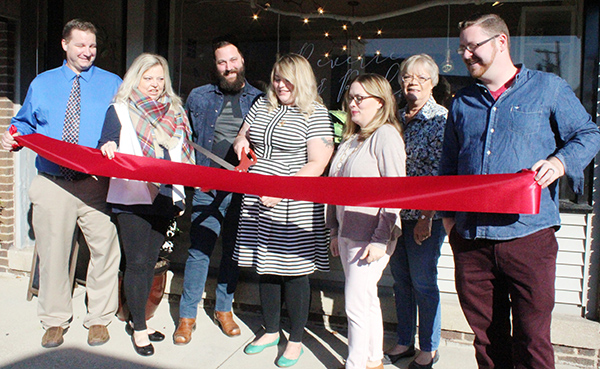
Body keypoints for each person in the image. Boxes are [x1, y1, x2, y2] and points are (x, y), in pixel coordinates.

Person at [439, 13, 600, 369]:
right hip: (472, 240)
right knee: (486, 341)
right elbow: (448, 167)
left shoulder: (548, 88)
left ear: (501, 42)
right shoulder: (463, 103)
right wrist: (449, 221)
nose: (465, 55)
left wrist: (559, 163)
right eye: (462, 47)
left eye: (472, 46)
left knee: (532, 340)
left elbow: (589, 134)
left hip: (528, 238)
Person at [1, 19, 121, 349]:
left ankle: (99, 318)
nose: (88, 52)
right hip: (53, 183)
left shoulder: (113, 83)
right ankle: (54, 319)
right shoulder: (42, 83)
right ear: (65, 45)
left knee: (105, 250)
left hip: (96, 183)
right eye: (81, 45)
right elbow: (22, 123)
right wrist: (11, 137)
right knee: (54, 255)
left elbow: (127, 126)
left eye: (93, 46)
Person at [232, 53, 334, 367]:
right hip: (259, 198)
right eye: (277, 78)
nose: (280, 85)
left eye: (286, 80)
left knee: (294, 273)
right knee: (265, 267)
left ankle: (297, 339)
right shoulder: (262, 105)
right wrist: (240, 143)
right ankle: (272, 330)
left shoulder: (315, 112)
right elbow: (243, 134)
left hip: (293, 202)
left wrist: (282, 188)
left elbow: (318, 163)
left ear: (301, 80)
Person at [98, 53, 194, 356]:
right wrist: (108, 146)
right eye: (147, 78)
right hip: (133, 196)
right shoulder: (120, 109)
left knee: (150, 263)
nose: (154, 84)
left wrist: (181, 193)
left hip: (165, 196)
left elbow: (183, 153)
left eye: (159, 78)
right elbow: (107, 141)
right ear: (135, 79)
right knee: (137, 264)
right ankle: (139, 327)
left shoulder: (176, 111)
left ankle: (139, 319)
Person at [174, 36, 263, 344]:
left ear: (242, 61)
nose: (228, 67)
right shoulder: (198, 96)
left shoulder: (260, 99)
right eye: (222, 62)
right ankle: (187, 316)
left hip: (242, 189)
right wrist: (191, 174)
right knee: (199, 251)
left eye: (233, 60)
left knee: (232, 253)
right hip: (207, 187)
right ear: (215, 66)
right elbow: (183, 139)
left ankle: (224, 310)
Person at [327, 73, 406, 369]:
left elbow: (396, 191)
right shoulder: (350, 140)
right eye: (350, 97)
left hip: (371, 234)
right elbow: (334, 190)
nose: (353, 103)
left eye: (360, 98)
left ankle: (355, 363)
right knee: (367, 300)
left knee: (355, 305)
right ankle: (373, 360)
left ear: (380, 102)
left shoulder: (385, 135)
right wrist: (333, 229)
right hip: (348, 231)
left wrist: (379, 238)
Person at [385, 54, 447, 369]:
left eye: (422, 78)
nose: (413, 82)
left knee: (423, 281)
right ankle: (404, 340)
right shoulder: (395, 116)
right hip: (395, 214)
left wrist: (426, 215)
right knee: (401, 280)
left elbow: (439, 173)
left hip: (425, 216)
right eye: (408, 76)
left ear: (433, 82)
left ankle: (429, 347)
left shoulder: (440, 119)